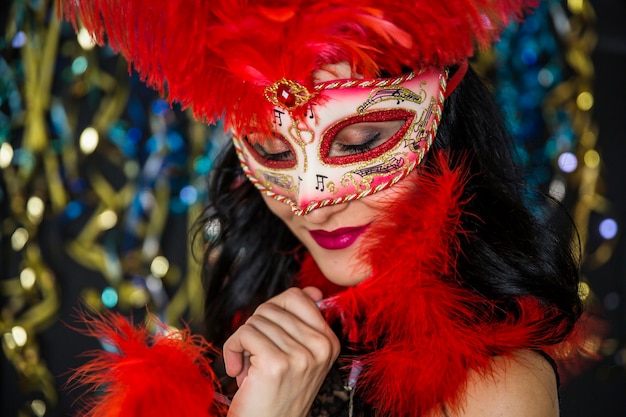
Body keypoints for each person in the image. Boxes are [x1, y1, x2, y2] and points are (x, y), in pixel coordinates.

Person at [64, 1, 584, 416]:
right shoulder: (246, 338)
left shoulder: (496, 389)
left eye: (359, 143)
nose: (313, 205)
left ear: (442, 128)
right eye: (272, 151)